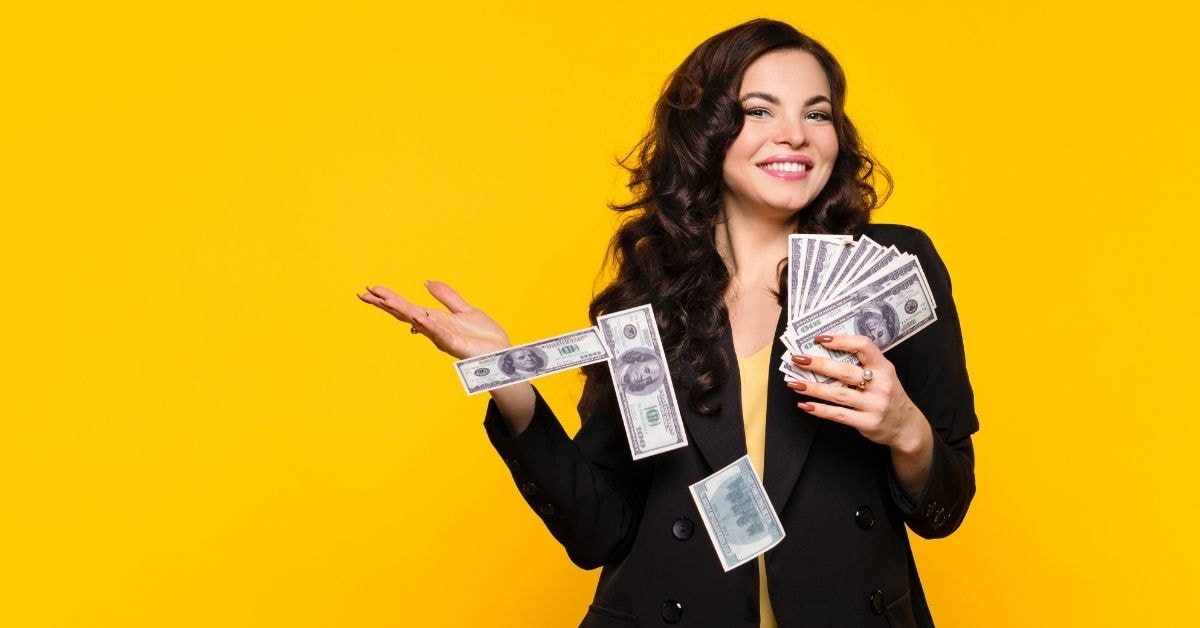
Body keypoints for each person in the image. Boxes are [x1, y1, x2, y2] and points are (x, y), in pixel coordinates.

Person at [358, 18, 977, 627]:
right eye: (759, 110)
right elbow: (600, 530)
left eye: (817, 114)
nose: (794, 134)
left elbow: (945, 510)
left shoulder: (889, 268)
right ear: (708, 129)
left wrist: (905, 429)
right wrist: (507, 379)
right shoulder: (651, 297)